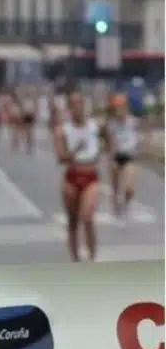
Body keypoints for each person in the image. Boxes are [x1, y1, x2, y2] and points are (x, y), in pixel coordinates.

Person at [54, 91, 106, 262]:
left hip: (91, 176)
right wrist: (75, 151)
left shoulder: (95, 126)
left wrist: (103, 149)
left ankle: (92, 258)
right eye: (73, 104)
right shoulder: (63, 130)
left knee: (88, 217)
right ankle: (75, 260)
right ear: (69, 108)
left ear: (84, 105)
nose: (77, 107)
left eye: (80, 103)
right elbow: (61, 158)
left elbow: (108, 139)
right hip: (72, 177)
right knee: (73, 222)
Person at [105, 94, 139, 226]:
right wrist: (112, 160)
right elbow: (111, 143)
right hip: (116, 157)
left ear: (126, 107)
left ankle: (126, 206)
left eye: (121, 107)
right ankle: (116, 212)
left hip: (129, 157)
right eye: (116, 108)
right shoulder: (111, 125)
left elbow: (142, 136)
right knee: (115, 188)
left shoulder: (133, 122)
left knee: (129, 188)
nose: (118, 110)